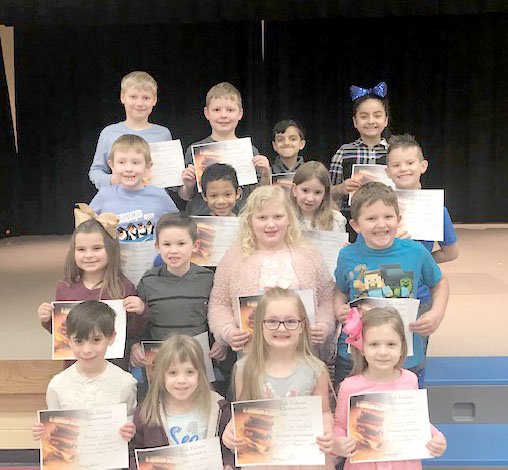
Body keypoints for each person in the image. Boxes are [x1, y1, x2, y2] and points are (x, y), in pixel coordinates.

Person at [333, 182, 449, 386]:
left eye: (388, 217)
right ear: (356, 225)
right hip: (355, 354)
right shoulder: (347, 255)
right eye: (371, 218)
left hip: (404, 354)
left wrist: (436, 313)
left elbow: (440, 283)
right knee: (352, 409)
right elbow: (341, 290)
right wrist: (338, 308)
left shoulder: (415, 251)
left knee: (402, 411)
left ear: (399, 219)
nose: (381, 224)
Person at [208, 185, 336, 362]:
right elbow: (219, 303)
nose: (271, 224)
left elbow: (327, 298)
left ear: (289, 218)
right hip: (254, 359)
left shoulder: (309, 254)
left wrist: (324, 325)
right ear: (250, 221)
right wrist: (227, 331)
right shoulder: (234, 258)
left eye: (278, 216)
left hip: (303, 356)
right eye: (262, 217)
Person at [222, 287, 335, 470]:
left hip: (305, 460)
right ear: (259, 325)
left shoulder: (316, 369)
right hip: (263, 460)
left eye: (290, 321)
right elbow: (241, 412)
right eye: (272, 321)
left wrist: (328, 428)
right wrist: (231, 430)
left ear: (302, 326)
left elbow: (323, 412)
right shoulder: (245, 369)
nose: (281, 328)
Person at [36, 205, 148, 370]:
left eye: (97, 248)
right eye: (81, 249)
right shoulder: (65, 288)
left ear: (111, 250)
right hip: (76, 371)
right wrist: (48, 320)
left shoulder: (123, 288)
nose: (89, 255)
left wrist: (141, 311)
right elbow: (65, 333)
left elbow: (131, 333)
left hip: (113, 371)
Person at [332, 307, 447, 468]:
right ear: (362, 347)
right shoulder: (349, 386)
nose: (383, 352)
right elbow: (340, 425)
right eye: (374, 344)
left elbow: (415, 420)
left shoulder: (410, 380)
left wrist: (436, 437)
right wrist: (338, 444)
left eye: (391, 344)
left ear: (402, 347)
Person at [385, 134, 458, 364]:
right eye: (396, 165)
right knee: (380, 353)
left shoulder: (436, 209)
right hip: (379, 292)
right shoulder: (378, 205)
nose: (403, 169)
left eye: (410, 163)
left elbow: (451, 252)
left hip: (420, 296)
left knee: (413, 361)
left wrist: (421, 260)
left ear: (423, 166)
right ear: (387, 171)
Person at [130, 214, 225, 375]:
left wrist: (220, 342)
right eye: (167, 244)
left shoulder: (208, 279)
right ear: (157, 246)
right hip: (159, 363)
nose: (174, 250)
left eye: (181, 244)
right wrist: (134, 345)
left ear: (195, 245)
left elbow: (217, 315)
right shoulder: (148, 281)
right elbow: (139, 321)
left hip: (198, 362)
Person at [32, 301, 137, 443]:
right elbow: (54, 428)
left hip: (111, 461)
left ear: (111, 337)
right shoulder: (57, 384)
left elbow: (130, 419)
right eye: (79, 341)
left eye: (96, 340)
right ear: (68, 340)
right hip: (74, 462)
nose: (87, 350)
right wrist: (44, 431)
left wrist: (130, 430)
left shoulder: (126, 382)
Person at [129, 335, 234, 470]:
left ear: (200, 373)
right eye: (173, 373)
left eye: (189, 372)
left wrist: (229, 465)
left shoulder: (220, 409)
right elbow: (132, 455)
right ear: (161, 375)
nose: (181, 380)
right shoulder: (146, 413)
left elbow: (232, 450)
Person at [176, 82, 271, 215]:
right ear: (207, 113)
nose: (223, 115)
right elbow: (185, 196)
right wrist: (188, 184)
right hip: (203, 222)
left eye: (230, 110)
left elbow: (260, 195)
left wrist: (266, 173)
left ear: (240, 113)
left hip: (241, 221)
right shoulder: (194, 151)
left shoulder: (250, 151)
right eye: (217, 110)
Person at [89, 71, 172, 189]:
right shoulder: (108, 133)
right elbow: (96, 170)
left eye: (146, 98)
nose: (139, 103)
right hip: (118, 202)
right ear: (122, 97)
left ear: (154, 100)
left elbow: (170, 175)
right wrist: (113, 179)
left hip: (153, 202)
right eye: (133, 97)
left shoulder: (163, 134)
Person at [90, 134, 178, 240]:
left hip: (152, 256)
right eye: (121, 162)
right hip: (116, 256)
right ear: (112, 165)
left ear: (147, 166)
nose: (129, 168)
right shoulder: (104, 195)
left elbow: (178, 226)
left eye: (135, 162)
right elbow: (86, 228)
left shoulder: (159, 194)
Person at [329, 82, 389, 220]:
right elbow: (327, 194)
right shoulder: (344, 152)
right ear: (355, 122)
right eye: (364, 116)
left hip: (385, 220)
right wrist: (342, 188)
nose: (370, 121)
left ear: (386, 120)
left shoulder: (393, 152)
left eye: (377, 115)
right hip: (351, 219)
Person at [291, 161, 347, 232]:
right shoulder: (284, 218)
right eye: (305, 190)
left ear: (325, 193)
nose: (310, 199)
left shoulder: (336, 220)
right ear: (295, 190)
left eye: (317, 192)